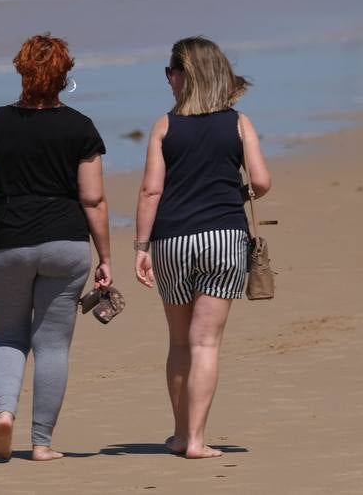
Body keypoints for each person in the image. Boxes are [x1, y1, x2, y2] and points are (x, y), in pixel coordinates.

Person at [0, 33, 112, 461]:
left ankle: (5, 414)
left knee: (8, 337)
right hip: (64, 242)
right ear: (64, 75)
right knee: (52, 345)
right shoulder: (80, 126)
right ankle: (42, 443)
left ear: (21, 71)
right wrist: (105, 256)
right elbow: (93, 198)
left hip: (8, 239)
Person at [133, 36, 272, 459]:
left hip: (172, 239)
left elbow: (150, 192)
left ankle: (179, 435)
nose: (167, 81)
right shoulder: (238, 123)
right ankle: (196, 440)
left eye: (170, 72)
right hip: (223, 236)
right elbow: (262, 181)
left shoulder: (164, 126)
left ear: (183, 76)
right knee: (205, 344)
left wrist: (141, 246)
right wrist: (236, 189)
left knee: (178, 343)